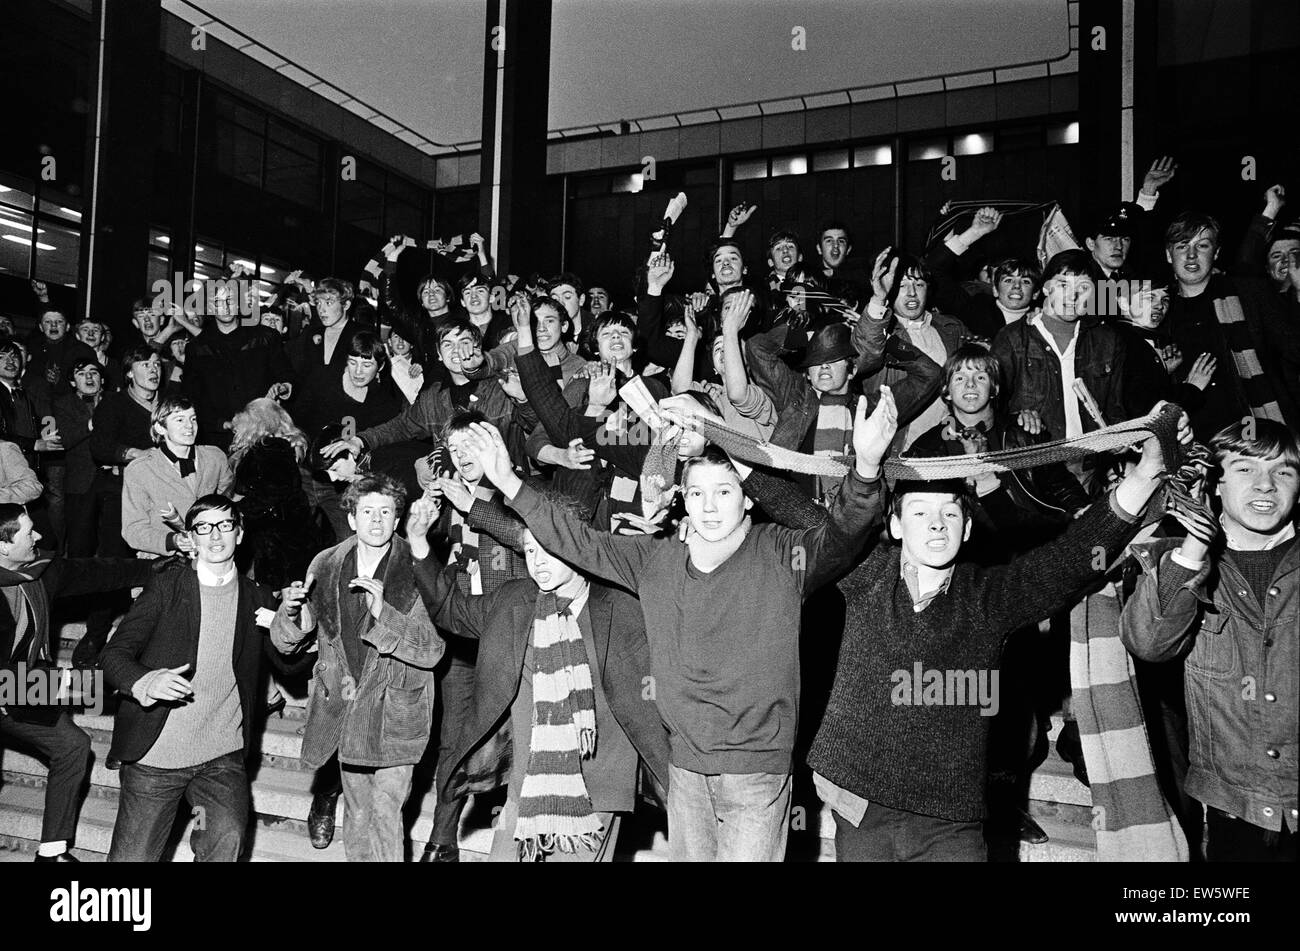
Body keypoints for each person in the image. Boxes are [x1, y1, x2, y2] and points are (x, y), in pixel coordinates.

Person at [463, 386, 895, 861]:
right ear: (682, 500)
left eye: (723, 492)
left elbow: (843, 534)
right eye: (697, 493)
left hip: (756, 772)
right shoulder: (656, 560)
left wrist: (867, 469)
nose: (709, 506)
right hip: (685, 769)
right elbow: (577, 542)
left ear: (746, 499)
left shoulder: (782, 555)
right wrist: (509, 484)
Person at [810, 407, 1191, 861]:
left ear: (968, 528)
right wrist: (865, 467)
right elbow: (794, 509)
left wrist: (1148, 470)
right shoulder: (864, 575)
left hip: (950, 823)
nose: (936, 524)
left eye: (950, 514)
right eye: (919, 511)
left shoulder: (990, 598)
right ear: (894, 525)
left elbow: (1071, 557)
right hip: (860, 808)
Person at [406, 488, 665, 862]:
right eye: (529, 551)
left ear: (575, 546)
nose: (538, 562)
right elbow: (449, 609)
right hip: (526, 783)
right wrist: (418, 543)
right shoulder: (513, 600)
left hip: (599, 787)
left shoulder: (624, 605)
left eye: (548, 549)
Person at [1121, 419, 1298, 861]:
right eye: (1244, 469)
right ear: (1215, 483)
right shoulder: (1178, 561)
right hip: (1230, 813)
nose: (1266, 485)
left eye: (1284, 471)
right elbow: (1149, 643)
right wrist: (1194, 547)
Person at [100, 496, 293, 862]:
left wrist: (295, 632)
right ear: (192, 536)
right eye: (204, 527)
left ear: (239, 532)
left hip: (220, 756)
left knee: (224, 838)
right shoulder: (168, 587)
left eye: (224, 525)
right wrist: (144, 682)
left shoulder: (259, 597)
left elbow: (288, 666)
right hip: (157, 756)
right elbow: (113, 654)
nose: (215, 536)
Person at [272, 473, 444, 862]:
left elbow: (432, 651)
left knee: (385, 811)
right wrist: (292, 613)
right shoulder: (327, 563)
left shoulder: (418, 566)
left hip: (396, 709)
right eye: (367, 511)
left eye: (386, 512)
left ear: (398, 519)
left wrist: (384, 613)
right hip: (346, 707)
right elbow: (293, 641)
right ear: (351, 518)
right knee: (358, 811)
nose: (377, 520)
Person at [1, 502, 150, 861]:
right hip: (13, 687)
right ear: (3, 545)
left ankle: (51, 852)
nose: (38, 536)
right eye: (27, 532)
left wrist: (158, 568)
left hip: (17, 687)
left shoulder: (38, 572)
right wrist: (96, 683)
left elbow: (97, 572)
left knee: (72, 744)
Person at [182, 285, 293, 451]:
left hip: (262, 434)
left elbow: (287, 375)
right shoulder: (197, 347)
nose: (225, 307)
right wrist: (223, 424)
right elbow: (193, 396)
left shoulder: (265, 338)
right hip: (217, 439)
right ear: (209, 307)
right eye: (218, 302)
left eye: (230, 300)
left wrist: (283, 387)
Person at [121, 396, 233, 557]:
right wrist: (173, 541)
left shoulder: (215, 457)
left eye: (193, 419)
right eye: (179, 420)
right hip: (164, 559)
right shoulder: (140, 470)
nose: (189, 426)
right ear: (160, 428)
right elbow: (133, 530)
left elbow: (229, 501)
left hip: (213, 553)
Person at [228, 398, 317, 590]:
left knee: (271, 595)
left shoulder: (270, 449)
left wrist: (234, 511)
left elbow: (272, 494)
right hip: (287, 538)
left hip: (276, 541)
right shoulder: (281, 448)